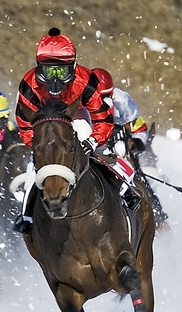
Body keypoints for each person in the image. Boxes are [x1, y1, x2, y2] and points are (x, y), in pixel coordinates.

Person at [13, 28, 138, 234]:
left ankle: (125, 189)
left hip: (79, 117)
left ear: (73, 66)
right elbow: (25, 124)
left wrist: (93, 142)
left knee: (103, 152)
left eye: (60, 71)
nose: (54, 79)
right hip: (45, 126)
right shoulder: (29, 84)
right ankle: (26, 214)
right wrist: (38, 144)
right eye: (48, 71)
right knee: (33, 166)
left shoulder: (86, 80)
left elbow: (103, 119)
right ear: (38, 68)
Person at [92, 68, 168, 224]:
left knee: (136, 176)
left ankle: (156, 214)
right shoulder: (79, 100)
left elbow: (139, 127)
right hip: (93, 143)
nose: (104, 101)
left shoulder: (123, 100)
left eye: (107, 96)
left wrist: (137, 142)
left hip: (119, 142)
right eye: (99, 97)